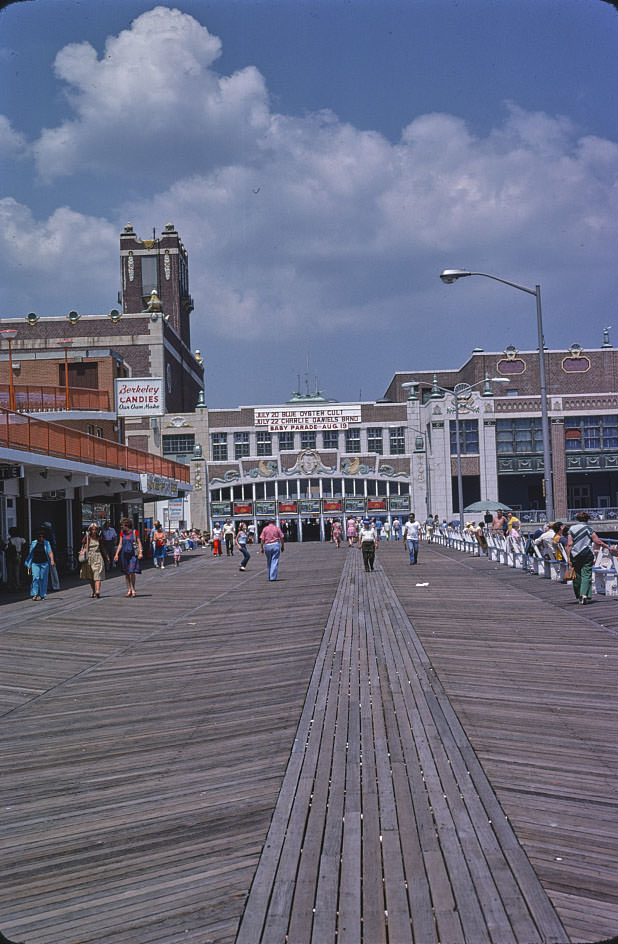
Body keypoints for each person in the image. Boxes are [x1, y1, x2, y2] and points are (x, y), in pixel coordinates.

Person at [566, 511, 612, 604]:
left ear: (577, 519)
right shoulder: (589, 529)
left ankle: (579, 595)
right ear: (587, 519)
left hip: (575, 554)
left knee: (577, 575)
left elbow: (570, 544)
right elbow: (597, 541)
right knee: (586, 575)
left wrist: (568, 557)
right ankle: (584, 595)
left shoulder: (572, 529)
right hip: (587, 554)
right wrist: (608, 547)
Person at [114, 518, 143, 597]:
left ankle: (133, 589)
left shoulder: (134, 532)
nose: (121, 527)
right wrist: (116, 554)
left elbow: (139, 542)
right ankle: (129, 589)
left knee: (132, 571)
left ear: (126, 525)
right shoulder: (122, 533)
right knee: (126, 573)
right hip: (124, 554)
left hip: (133, 554)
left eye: (122, 525)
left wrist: (140, 552)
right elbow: (120, 544)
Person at [79, 523, 109, 598]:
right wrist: (83, 552)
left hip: (97, 556)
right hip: (89, 557)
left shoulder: (99, 538)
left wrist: (107, 557)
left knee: (97, 573)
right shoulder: (87, 538)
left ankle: (98, 590)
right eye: (92, 529)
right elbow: (85, 547)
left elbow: (103, 548)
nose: (94, 531)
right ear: (90, 530)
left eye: (95, 529)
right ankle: (93, 591)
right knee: (91, 576)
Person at [25, 531, 55, 600]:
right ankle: (34, 594)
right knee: (35, 577)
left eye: (42, 536)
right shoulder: (34, 543)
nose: (41, 538)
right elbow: (30, 554)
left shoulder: (47, 543)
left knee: (43, 578)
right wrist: (29, 564)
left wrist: (52, 560)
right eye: (39, 536)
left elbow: (50, 552)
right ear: (37, 537)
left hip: (44, 563)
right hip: (35, 563)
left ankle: (42, 595)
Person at [4, 526, 26, 592]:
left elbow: (5, 548)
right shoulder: (21, 539)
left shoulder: (9, 540)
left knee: (10, 572)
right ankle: (17, 585)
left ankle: (10, 586)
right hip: (18, 555)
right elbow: (25, 544)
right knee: (17, 571)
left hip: (10, 557)